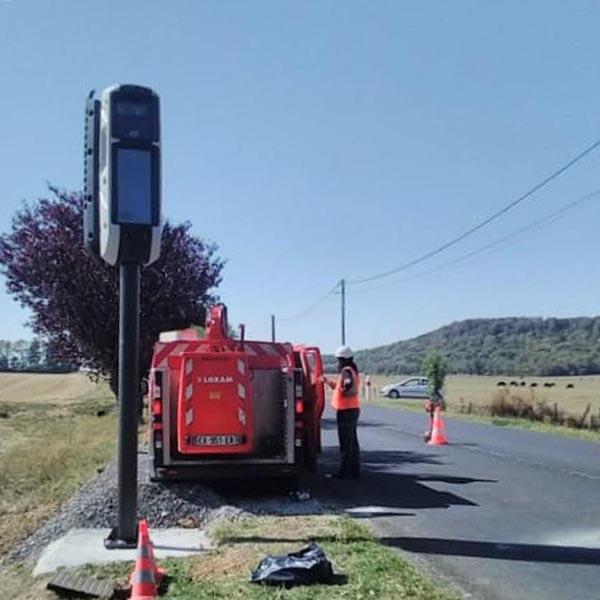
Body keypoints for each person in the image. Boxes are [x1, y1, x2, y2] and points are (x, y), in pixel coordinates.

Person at [321, 345, 361, 478]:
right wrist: (328, 382)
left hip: (346, 410)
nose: (338, 363)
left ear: (342, 359)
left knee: (345, 443)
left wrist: (344, 390)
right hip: (352, 409)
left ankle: (344, 472)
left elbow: (347, 385)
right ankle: (354, 470)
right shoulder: (352, 370)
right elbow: (341, 386)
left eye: (338, 360)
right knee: (352, 442)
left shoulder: (345, 371)